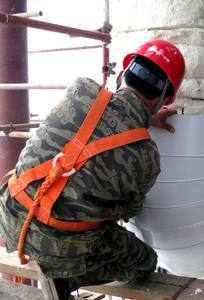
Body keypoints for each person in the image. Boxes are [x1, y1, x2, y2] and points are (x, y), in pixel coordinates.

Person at [0, 39, 185, 300]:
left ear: (122, 74)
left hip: (9, 215)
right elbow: (128, 212)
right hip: (53, 244)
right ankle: (66, 277)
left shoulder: (81, 88)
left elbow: (97, 120)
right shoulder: (147, 156)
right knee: (144, 260)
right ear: (164, 100)